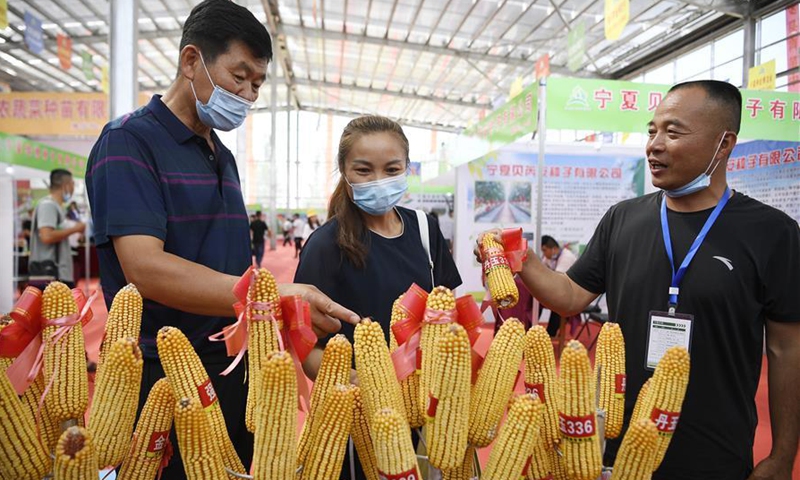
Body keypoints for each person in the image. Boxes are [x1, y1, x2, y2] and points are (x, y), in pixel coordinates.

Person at [85, 2, 359, 478]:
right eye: (239, 76)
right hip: (164, 372)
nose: (249, 94)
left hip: (233, 365)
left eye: (257, 83)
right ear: (192, 62)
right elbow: (144, 267)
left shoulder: (221, 154)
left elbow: (226, 262)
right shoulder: (128, 142)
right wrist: (269, 295)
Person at [477, 80, 800, 480]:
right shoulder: (623, 219)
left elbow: (787, 348)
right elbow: (571, 296)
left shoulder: (772, 232)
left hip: (715, 448)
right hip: (620, 442)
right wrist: (520, 261)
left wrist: (784, 454)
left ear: (724, 143)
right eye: (652, 131)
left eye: (673, 132)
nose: (654, 144)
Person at [295, 115, 462, 480]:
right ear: (344, 170)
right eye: (364, 170)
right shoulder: (325, 246)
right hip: (357, 422)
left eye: (391, 169)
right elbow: (307, 347)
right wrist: (366, 385)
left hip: (425, 412)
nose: (379, 181)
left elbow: (448, 315)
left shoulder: (424, 229)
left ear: (406, 168)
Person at [29, 169, 85, 288]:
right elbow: (47, 236)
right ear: (66, 185)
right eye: (73, 184)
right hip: (50, 272)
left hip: (58, 273)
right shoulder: (48, 205)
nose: (73, 188)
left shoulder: (58, 207)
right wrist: (75, 229)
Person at [539, 235, 578, 338]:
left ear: (554, 249)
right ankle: (531, 329)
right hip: (558, 289)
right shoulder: (549, 257)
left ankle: (550, 334)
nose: (544, 254)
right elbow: (542, 272)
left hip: (572, 293)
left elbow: (557, 281)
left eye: (545, 250)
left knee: (558, 303)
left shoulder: (566, 257)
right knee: (536, 301)